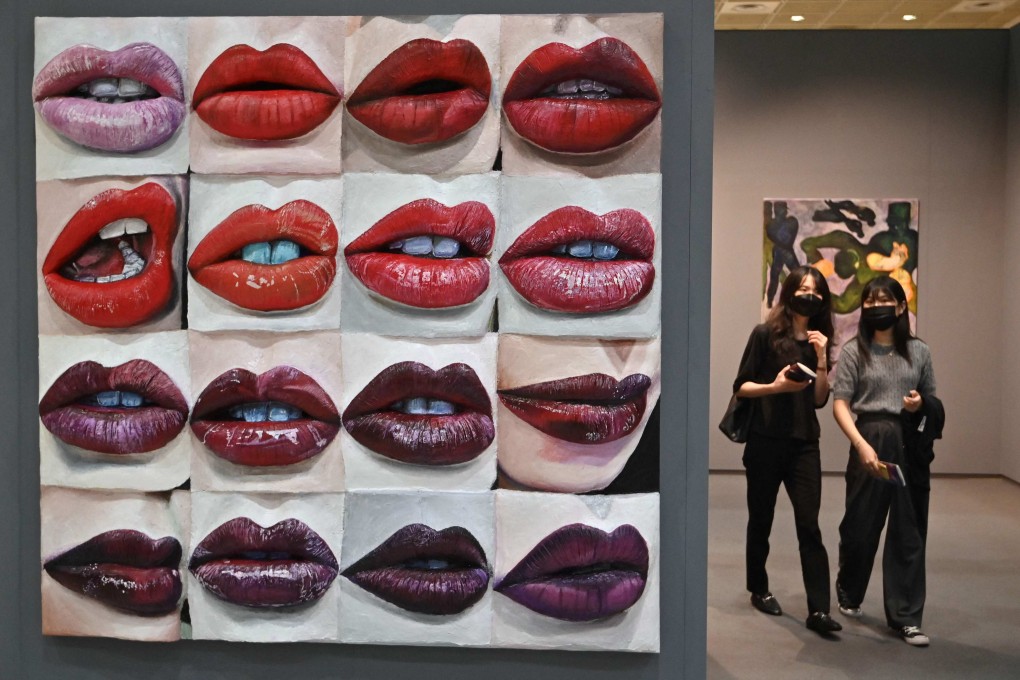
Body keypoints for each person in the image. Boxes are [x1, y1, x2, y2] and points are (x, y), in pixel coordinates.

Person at [732, 265, 842, 635]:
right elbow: (741, 387)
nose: (809, 295)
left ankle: (819, 610)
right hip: (764, 440)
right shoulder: (765, 334)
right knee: (761, 518)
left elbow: (820, 399)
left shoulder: (819, 339)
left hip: (804, 445)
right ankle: (759, 588)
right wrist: (775, 388)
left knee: (809, 524)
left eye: (817, 291)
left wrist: (823, 357)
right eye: (803, 288)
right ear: (790, 291)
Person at [831, 275, 936, 647]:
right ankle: (849, 588)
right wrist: (860, 444)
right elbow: (840, 401)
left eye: (884, 299)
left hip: (908, 444)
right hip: (869, 437)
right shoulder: (852, 352)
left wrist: (918, 404)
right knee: (860, 525)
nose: (877, 305)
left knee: (908, 531)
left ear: (902, 306)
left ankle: (906, 617)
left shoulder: (919, 351)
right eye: (870, 300)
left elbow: (931, 400)